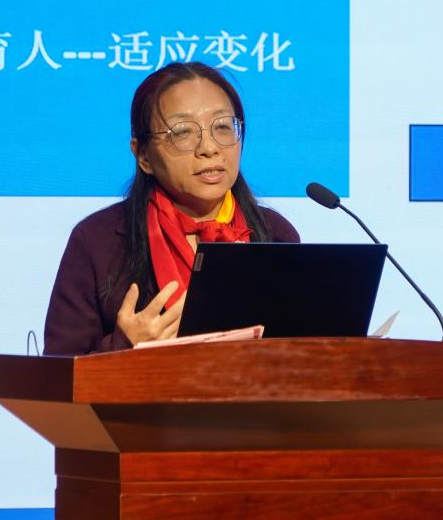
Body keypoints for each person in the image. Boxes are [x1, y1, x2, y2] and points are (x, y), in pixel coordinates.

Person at [43, 62, 300, 354]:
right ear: (143, 155)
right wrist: (123, 347)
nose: (209, 148)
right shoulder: (97, 241)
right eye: (182, 132)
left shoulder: (276, 234)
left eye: (222, 127)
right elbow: (57, 371)